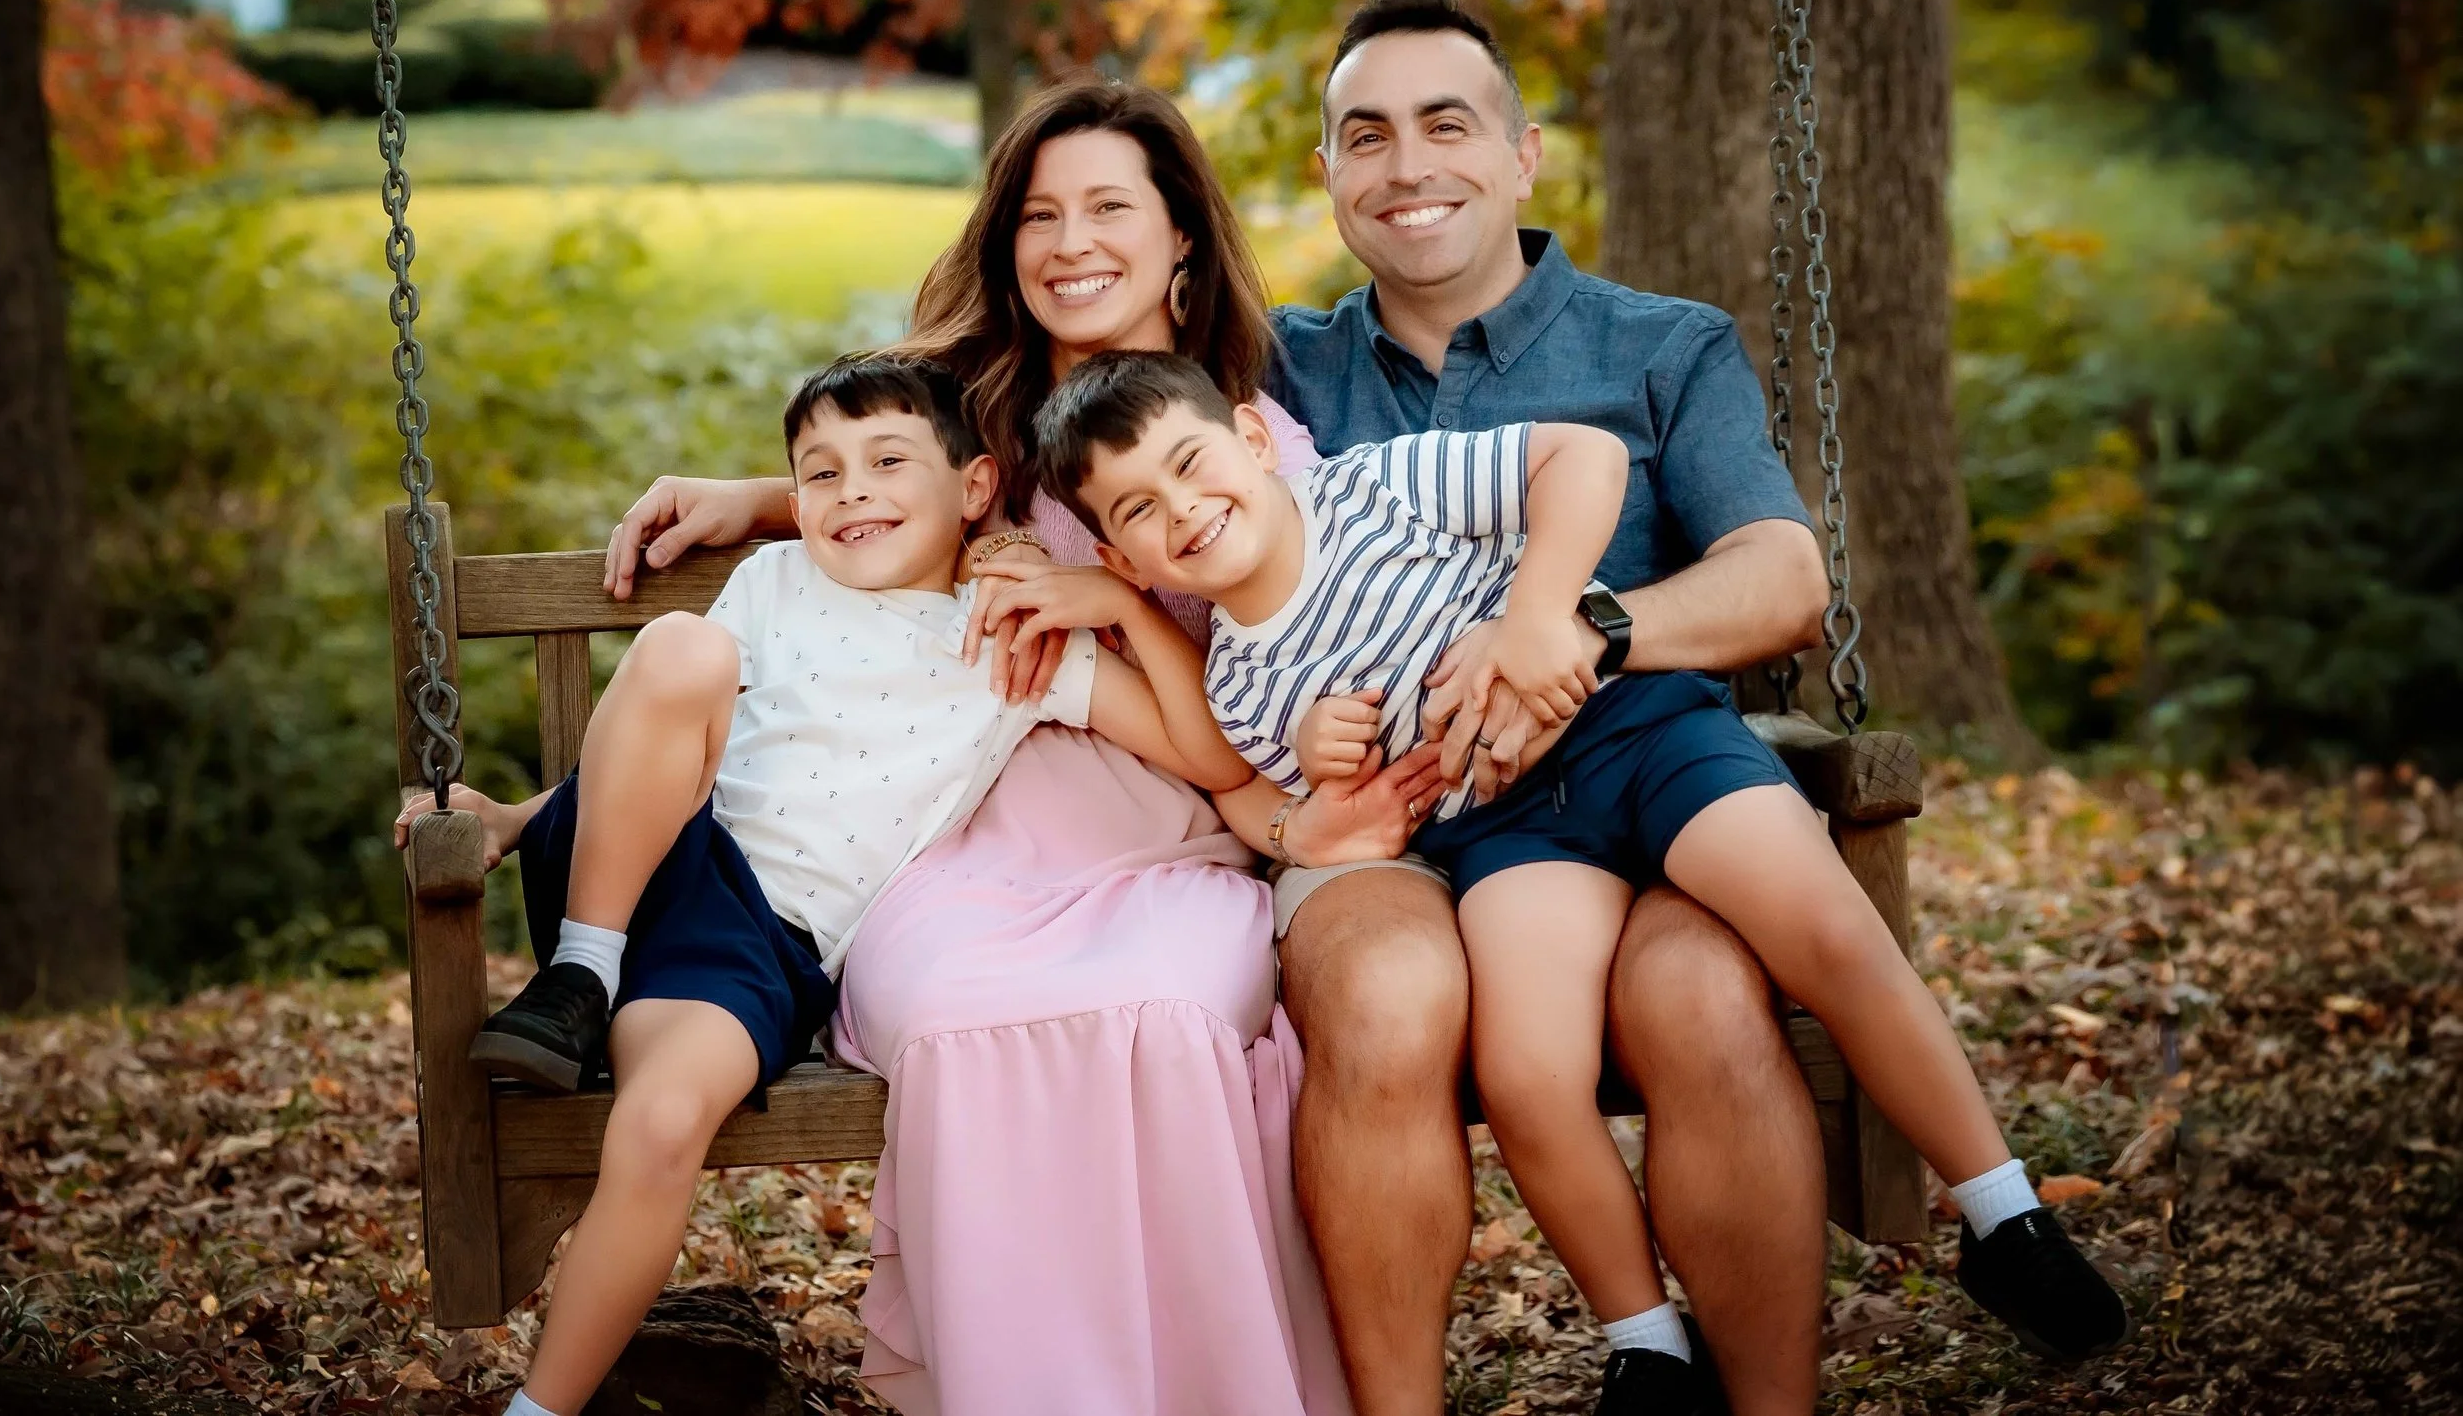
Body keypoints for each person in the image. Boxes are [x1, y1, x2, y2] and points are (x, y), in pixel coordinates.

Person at [1035, 350, 2133, 1411]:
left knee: (1825, 928)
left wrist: (1535, 615)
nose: (1179, 508)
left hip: (1637, 729)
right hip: (1508, 829)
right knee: (1526, 1071)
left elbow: (1583, 457)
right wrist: (1323, 762)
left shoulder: (1374, 486)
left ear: (1254, 435)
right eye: (1134, 509)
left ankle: (2001, 1211)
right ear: (1126, 561)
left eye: (1188, 463)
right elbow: (1309, 800)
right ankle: (1645, 1341)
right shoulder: (1242, 678)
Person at [600, 83, 1421, 1415]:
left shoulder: (1243, 437)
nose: (1068, 240)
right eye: (1039, 213)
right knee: (962, 1020)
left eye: (1108, 207)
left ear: (1181, 246)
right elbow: (872, 492)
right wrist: (752, 498)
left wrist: (1118, 607)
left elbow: (1285, 682)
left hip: (1172, 843)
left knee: (1165, 1011)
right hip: (957, 850)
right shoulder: (965, 413)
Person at [393, 354, 1256, 1416]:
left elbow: (1212, 758)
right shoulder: (771, 580)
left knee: (662, 1122)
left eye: (887, 461)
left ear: (975, 488)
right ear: (795, 502)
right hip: (637, 870)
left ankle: (539, 1410)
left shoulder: (1014, 640)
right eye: (820, 473)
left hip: (757, 942)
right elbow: (659, 742)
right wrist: (517, 821)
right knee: (679, 650)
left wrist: (1117, 600)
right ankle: (578, 975)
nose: (851, 490)